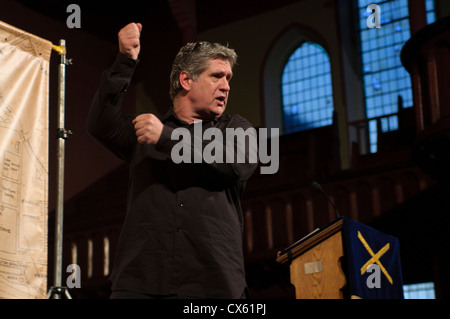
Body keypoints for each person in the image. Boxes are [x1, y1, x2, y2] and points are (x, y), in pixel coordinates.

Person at [86, 22, 258, 299]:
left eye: (229, 78)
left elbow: (236, 165)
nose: (226, 87)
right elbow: (99, 125)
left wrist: (166, 139)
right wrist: (125, 62)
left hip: (214, 284)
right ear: (186, 80)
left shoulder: (236, 128)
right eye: (217, 76)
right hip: (141, 282)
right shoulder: (143, 131)